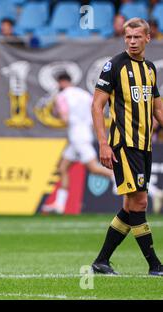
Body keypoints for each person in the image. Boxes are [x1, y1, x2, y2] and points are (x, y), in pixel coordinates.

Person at [91, 18, 163, 276]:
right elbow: (97, 106)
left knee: (131, 206)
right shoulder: (114, 65)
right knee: (141, 202)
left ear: (147, 38)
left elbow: (157, 108)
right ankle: (155, 264)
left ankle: (101, 261)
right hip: (125, 144)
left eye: (137, 37)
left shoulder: (150, 68)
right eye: (128, 37)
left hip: (144, 145)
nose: (132, 41)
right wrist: (103, 143)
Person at [41, 73, 116, 214]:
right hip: (83, 134)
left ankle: (116, 177)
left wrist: (56, 113)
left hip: (77, 137)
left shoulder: (61, 97)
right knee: (63, 168)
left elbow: (64, 118)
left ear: (62, 82)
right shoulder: (85, 94)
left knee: (93, 168)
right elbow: (99, 109)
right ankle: (60, 205)